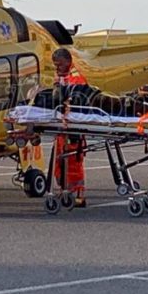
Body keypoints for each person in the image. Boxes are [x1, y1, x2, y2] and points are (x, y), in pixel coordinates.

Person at [51, 48, 88, 208]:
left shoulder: (76, 78)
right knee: (60, 160)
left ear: (68, 61)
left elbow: (75, 103)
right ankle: (64, 189)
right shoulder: (61, 77)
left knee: (74, 161)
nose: (57, 68)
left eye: (59, 64)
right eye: (55, 65)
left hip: (73, 127)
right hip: (62, 126)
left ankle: (79, 193)